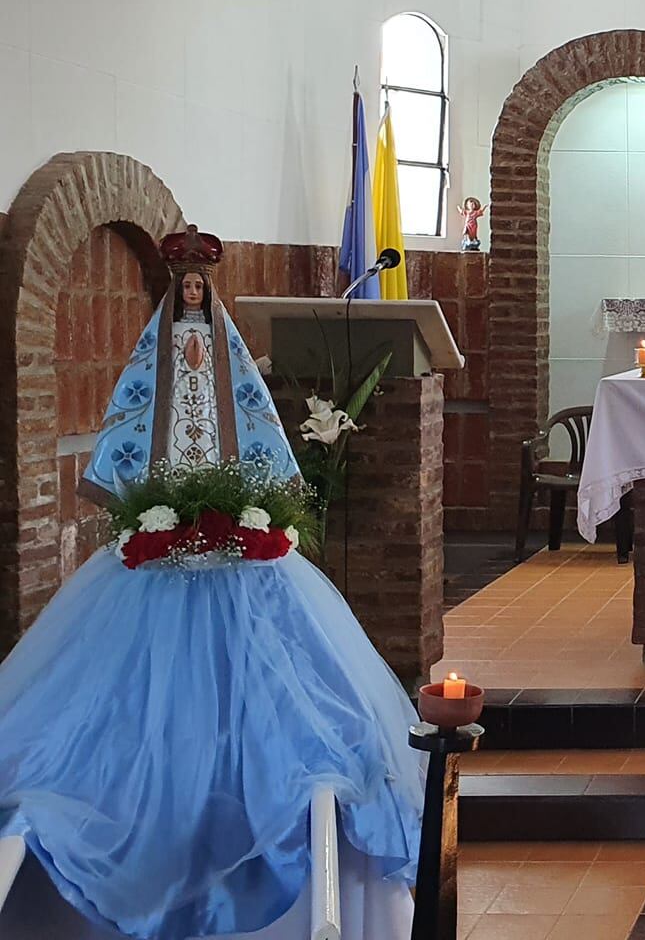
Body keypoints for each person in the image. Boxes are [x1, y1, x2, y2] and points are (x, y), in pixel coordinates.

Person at [2, 226, 421, 939]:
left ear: (209, 291)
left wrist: (251, 501)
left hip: (232, 524)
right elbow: (133, 419)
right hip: (166, 513)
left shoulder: (224, 351)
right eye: (185, 287)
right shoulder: (154, 353)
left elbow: (253, 422)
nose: (193, 294)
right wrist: (149, 499)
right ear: (174, 293)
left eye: (200, 286)